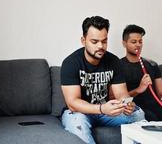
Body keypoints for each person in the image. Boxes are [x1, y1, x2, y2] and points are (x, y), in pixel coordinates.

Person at [61, 16, 144, 144]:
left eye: (104, 41)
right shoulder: (70, 63)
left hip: (106, 112)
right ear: (83, 41)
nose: (100, 46)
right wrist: (101, 109)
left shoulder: (114, 61)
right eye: (94, 42)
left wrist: (127, 104)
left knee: (137, 113)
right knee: (77, 122)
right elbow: (72, 102)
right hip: (80, 113)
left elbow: (122, 94)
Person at [120, 24, 162, 121]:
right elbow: (119, 98)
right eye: (134, 42)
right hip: (137, 109)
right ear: (124, 43)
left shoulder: (152, 64)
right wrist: (138, 89)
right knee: (151, 117)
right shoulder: (118, 66)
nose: (138, 44)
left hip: (156, 106)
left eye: (140, 41)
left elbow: (161, 92)